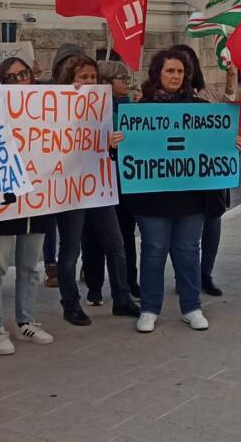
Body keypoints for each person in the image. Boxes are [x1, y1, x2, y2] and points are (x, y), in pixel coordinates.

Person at [122, 48, 241, 333]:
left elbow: (214, 145)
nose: (175, 76)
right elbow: (128, 153)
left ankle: (191, 306)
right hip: (152, 197)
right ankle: (150, 308)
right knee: (153, 250)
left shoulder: (200, 107)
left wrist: (230, 144)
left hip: (192, 197)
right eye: (169, 71)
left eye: (179, 72)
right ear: (158, 74)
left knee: (188, 250)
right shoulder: (140, 110)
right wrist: (118, 143)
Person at [0, 57, 57, 356]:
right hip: (3, 200)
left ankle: (26, 320)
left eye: (24, 74)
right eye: (10, 77)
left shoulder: (48, 104)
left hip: (37, 199)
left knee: (30, 267)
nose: (19, 80)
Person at [51, 47, 137, 324]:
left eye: (92, 77)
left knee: (117, 245)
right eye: (83, 77)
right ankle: (71, 305)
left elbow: (112, 145)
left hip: (100, 185)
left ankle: (122, 298)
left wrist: (114, 144)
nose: (89, 82)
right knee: (70, 250)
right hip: (72, 189)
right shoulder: (55, 106)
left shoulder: (104, 107)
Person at [171, 43, 238, 297]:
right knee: (184, 234)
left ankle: (205, 274)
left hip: (209, 176)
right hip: (181, 177)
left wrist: (231, 81)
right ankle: (183, 276)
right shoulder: (164, 98)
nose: (182, 72)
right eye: (177, 66)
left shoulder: (206, 93)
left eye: (187, 65)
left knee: (212, 226)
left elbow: (226, 116)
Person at [93, 60, 141, 299]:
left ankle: (130, 282)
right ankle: (95, 285)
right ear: (106, 82)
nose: (127, 83)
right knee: (101, 238)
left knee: (126, 236)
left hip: (127, 182)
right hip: (102, 181)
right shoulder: (97, 111)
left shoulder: (133, 108)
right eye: (122, 78)